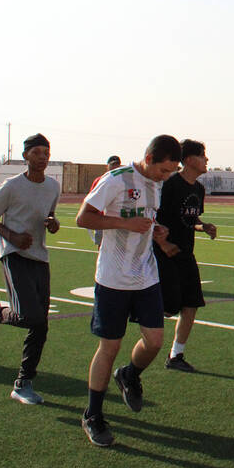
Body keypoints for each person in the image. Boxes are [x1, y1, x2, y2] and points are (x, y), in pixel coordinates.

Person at [75, 135, 182, 448]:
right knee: (109, 346)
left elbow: (146, 219)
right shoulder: (116, 180)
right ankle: (93, 414)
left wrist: (158, 232)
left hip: (146, 274)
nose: (166, 177)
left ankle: (130, 374)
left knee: (156, 341)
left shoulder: (158, 184)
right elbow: (84, 217)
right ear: (148, 157)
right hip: (113, 278)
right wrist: (124, 223)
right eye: (164, 170)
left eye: (171, 172)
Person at [0, 133, 61, 405]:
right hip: (14, 254)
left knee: (40, 324)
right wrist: (12, 236)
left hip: (39, 257)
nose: (43, 157)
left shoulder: (53, 187)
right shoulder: (11, 186)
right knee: (27, 316)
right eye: (37, 152)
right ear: (26, 156)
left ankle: (23, 383)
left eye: (46, 152)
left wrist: (53, 224)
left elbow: (50, 216)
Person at [154, 139, 218, 373]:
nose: (207, 160)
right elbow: (153, 216)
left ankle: (176, 355)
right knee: (170, 306)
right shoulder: (170, 185)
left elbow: (191, 219)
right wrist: (163, 244)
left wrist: (203, 226)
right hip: (164, 254)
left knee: (192, 303)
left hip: (185, 254)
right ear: (189, 160)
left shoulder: (198, 189)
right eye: (203, 155)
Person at [88, 155, 123, 247]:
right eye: (112, 165)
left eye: (117, 165)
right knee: (101, 245)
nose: (114, 167)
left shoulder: (124, 181)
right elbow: (91, 200)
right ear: (107, 166)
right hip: (101, 219)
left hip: (117, 220)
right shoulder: (100, 180)